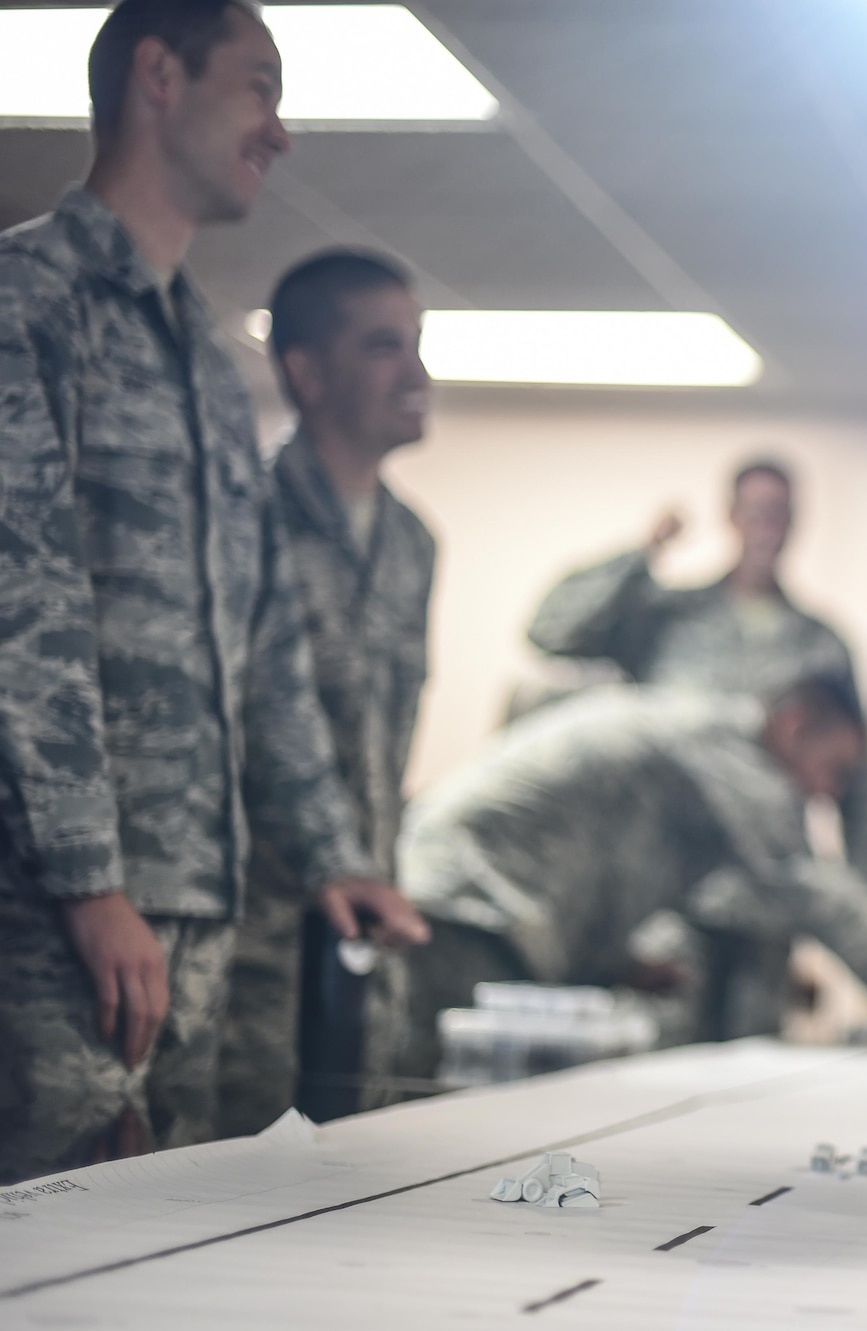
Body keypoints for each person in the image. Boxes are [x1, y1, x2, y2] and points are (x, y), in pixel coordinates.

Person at [0, 0, 425, 1185]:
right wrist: (90, 880)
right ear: (159, 75)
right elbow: (23, 610)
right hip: (53, 911)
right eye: (260, 89)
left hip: (195, 904)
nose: (278, 132)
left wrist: (334, 854)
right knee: (45, 1237)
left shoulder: (207, 362)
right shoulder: (28, 301)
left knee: (167, 1233)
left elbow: (265, 642)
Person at [387, 678, 867, 1078]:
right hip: (467, 902)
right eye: (834, 770)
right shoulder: (734, 755)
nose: (825, 792)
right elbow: (811, 891)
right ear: (795, 725)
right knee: (430, 1110)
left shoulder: (698, 741)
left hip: (466, 896)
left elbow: (621, 862)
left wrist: (617, 961)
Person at [214, 250, 437, 1136]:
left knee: (352, 1150)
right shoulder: (245, 513)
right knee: (235, 1156)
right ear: (305, 371)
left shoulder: (414, 542)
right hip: (250, 922)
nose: (417, 373)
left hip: (364, 916)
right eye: (384, 347)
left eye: (417, 343)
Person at [527, 460, 867, 886]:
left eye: (778, 513)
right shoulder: (669, 618)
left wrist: (862, 898)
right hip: (658, 862)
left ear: (795, 522)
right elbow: (551, 632)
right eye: (755, 511)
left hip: (766, 868)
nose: (766, 527)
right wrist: (643, 552)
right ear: (731, 516)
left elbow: (858, 781)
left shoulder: (822, 645)